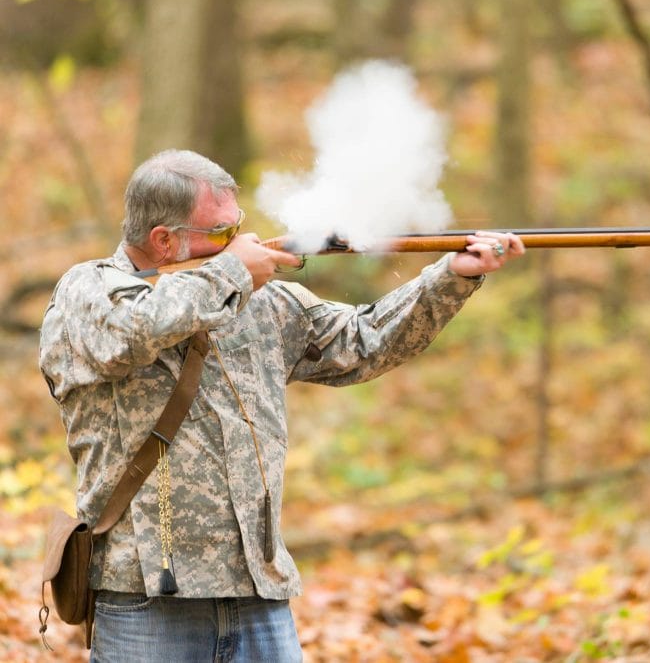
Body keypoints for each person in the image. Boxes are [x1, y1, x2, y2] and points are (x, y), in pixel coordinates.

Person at [38, 149, 525, 661]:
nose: (240, 241)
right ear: (164, 239)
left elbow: (364, 341)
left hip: (258, 591)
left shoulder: (261, 300)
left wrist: (452, 276)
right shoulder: (89, 290)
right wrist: (231, 274)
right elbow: (129, 334)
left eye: (238, 226)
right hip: (148, 598)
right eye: (222, 232)